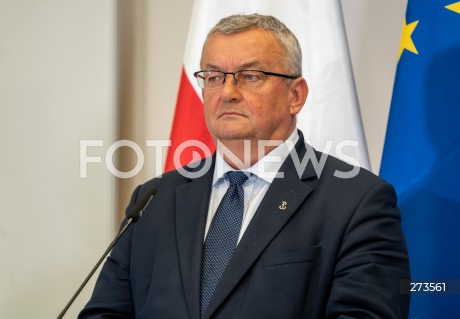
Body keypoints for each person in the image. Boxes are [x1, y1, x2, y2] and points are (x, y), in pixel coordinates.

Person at [79, 14, 410, 318]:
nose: (227, 92)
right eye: (213, 76)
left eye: (250, 76)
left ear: (296, 95)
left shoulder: (356, 202)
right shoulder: (154, 200)